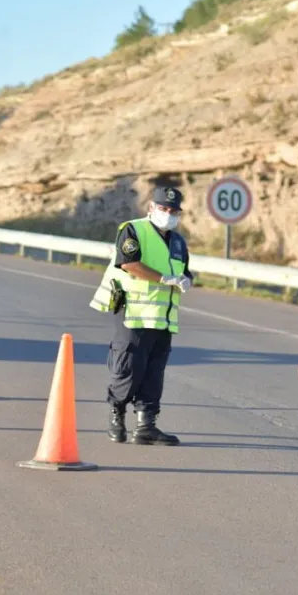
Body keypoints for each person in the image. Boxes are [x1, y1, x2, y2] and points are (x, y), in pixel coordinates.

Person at [89, 186, 193, 446]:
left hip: (163, 318)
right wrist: (163, 278)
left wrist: (186, 279)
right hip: (133, 312)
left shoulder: (178, 241)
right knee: (128, 367)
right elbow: (128, 263)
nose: (168, 214)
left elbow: (184, 270)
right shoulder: (133, 229)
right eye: (163, 209)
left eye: (173, 211)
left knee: (154, 371)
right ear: (151, 208)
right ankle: (117, 415)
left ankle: (146, 426)